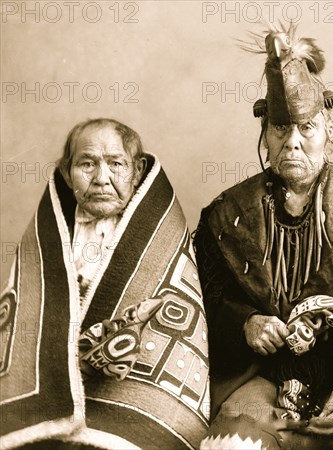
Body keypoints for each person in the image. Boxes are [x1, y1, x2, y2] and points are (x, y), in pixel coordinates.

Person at [194, 24, 333, 449]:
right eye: (280, 129)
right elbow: (204, 300)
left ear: (329, 131)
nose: (293, 142)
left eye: (307, 128)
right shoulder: (224, 216)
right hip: (260, 374)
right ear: (265, 137)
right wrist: (246, 323)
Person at [0, 119, 210, 449]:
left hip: (128, 395)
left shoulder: (162, 236)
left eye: (115, 164)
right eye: (87, 164)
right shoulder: (49, 235)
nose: (101, 178)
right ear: (67, 173)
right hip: (55, 387)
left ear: (137, 170)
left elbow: (168, 323)